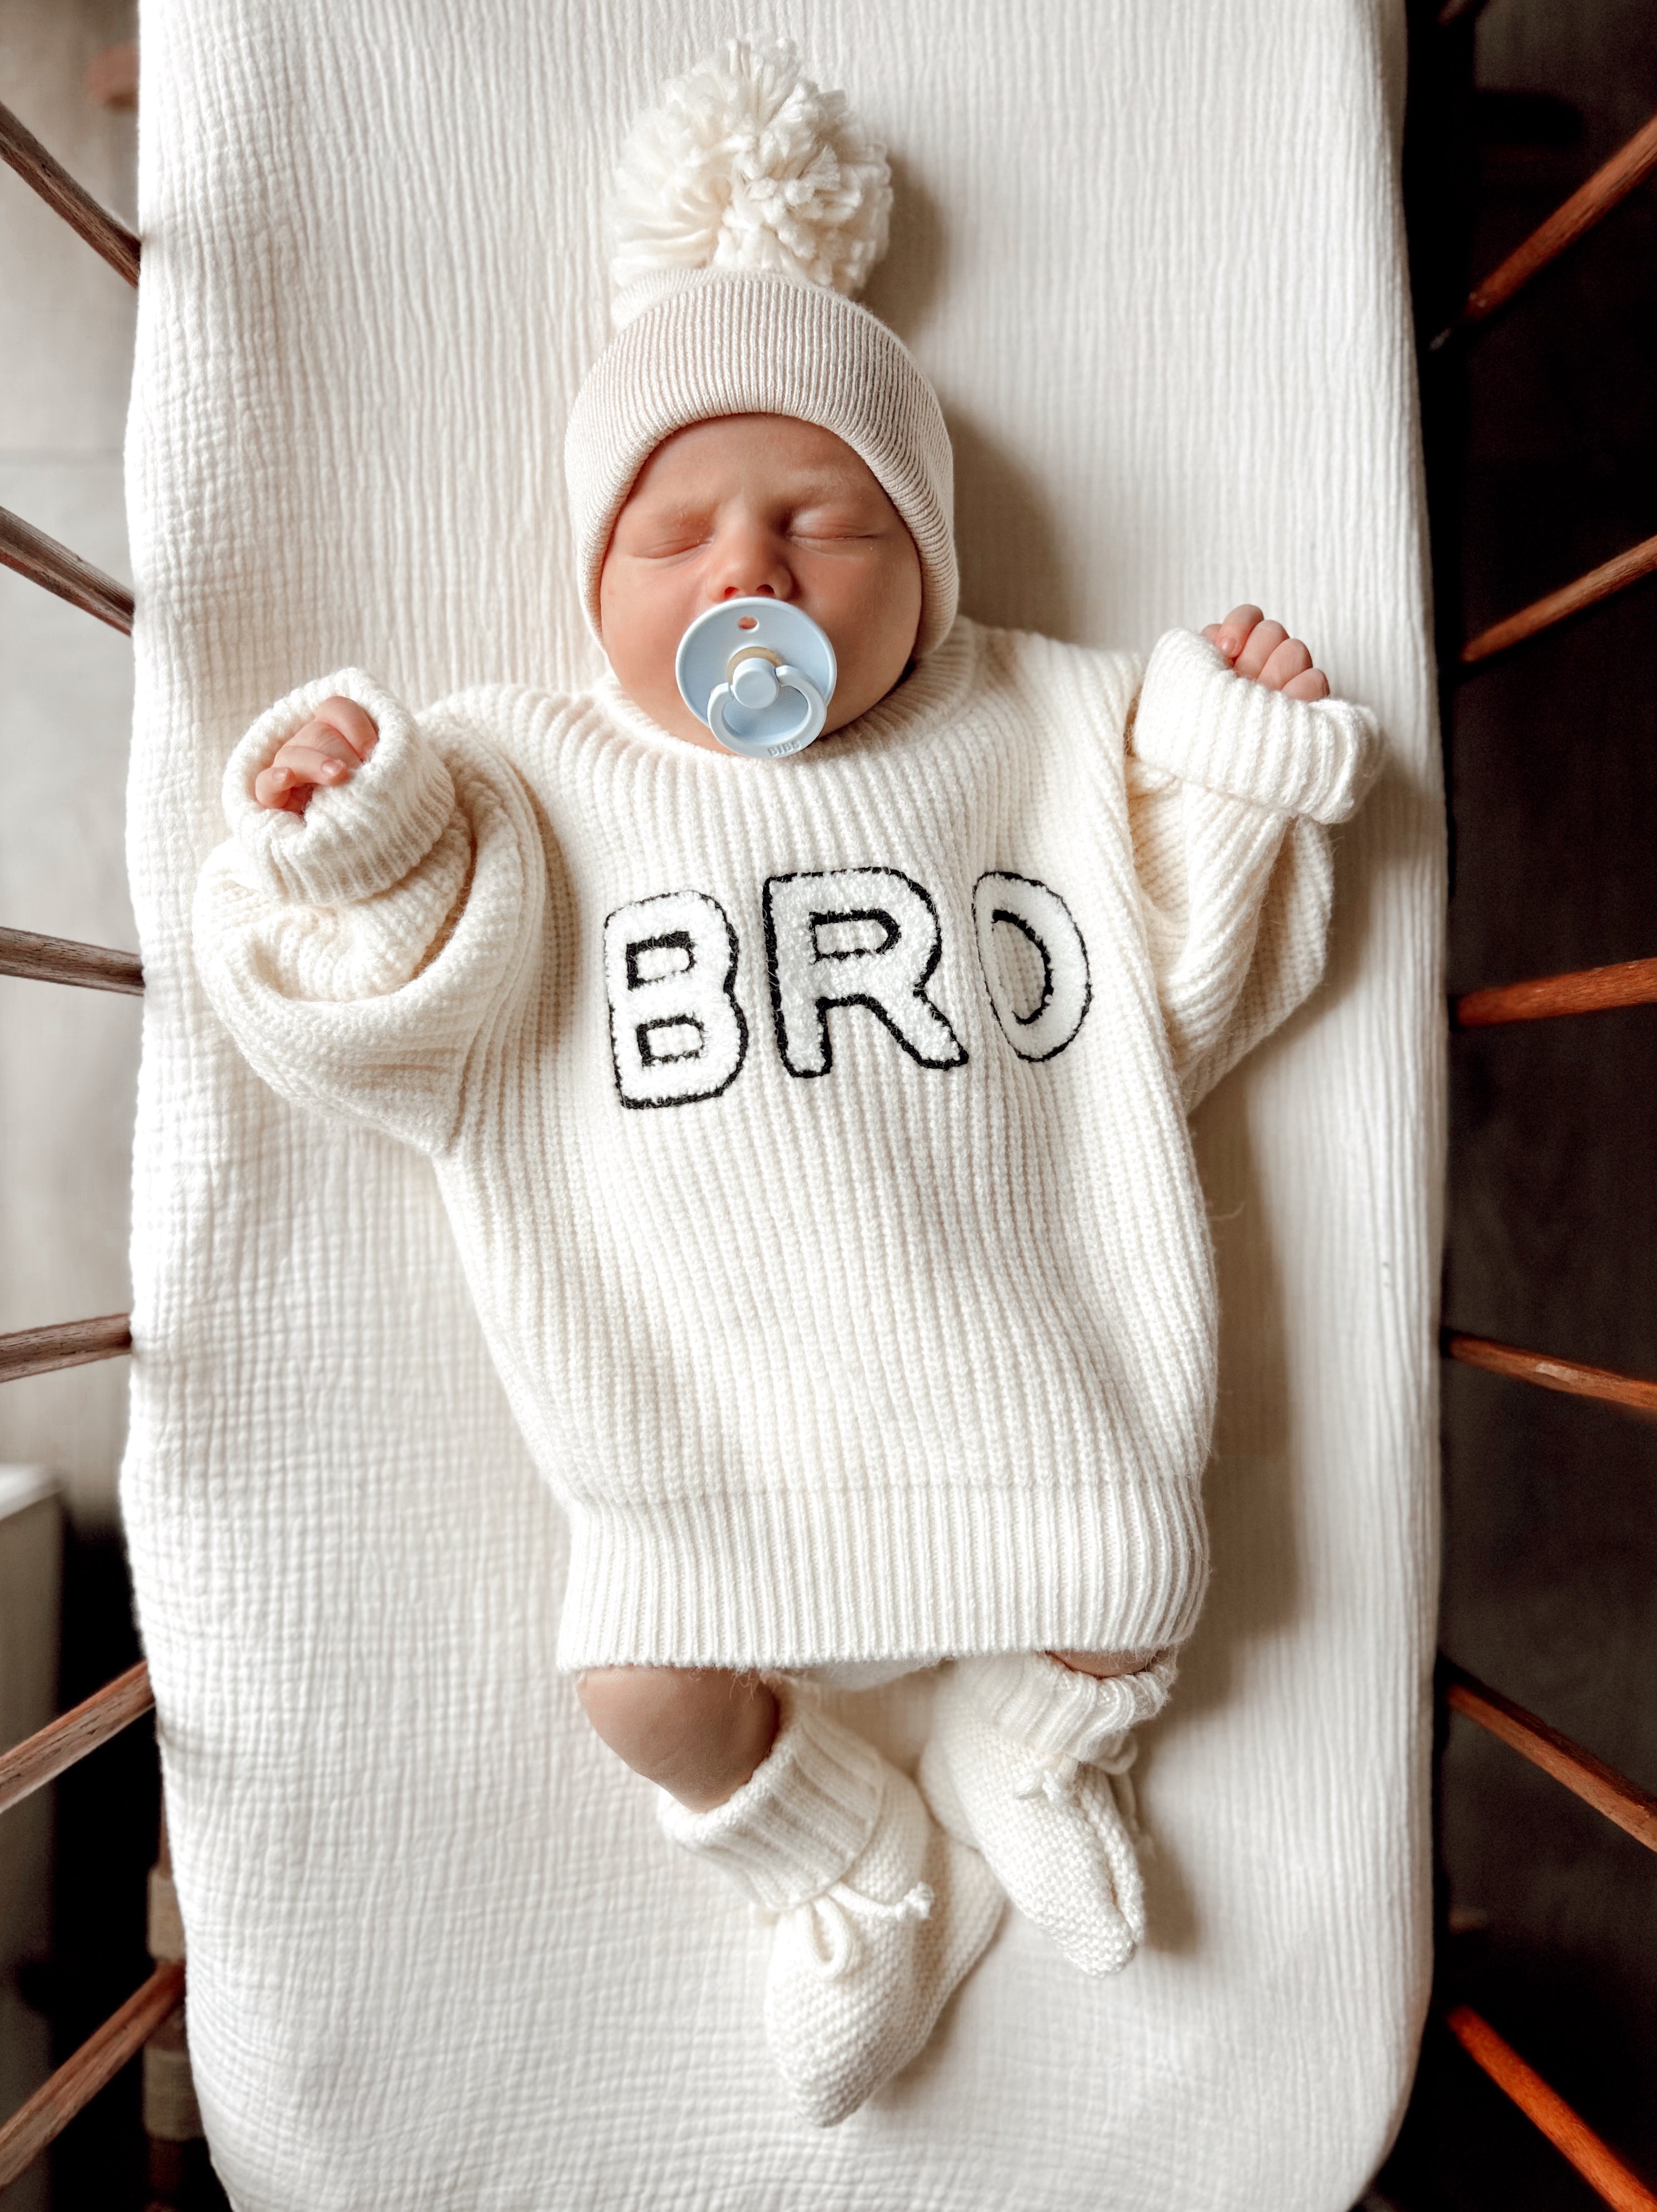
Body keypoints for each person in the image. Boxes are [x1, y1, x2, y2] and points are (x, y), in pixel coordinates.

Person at [195, 41, 1378, 2129]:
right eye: (677, 536)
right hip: (695, 1431)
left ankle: (1034, 1741)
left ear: (925, 568)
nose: (750, 572)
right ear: (595, 589)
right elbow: (381, 1027)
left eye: (821, 522)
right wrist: (353, 839)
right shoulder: (531, 780)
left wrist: (1227, 772)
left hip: (1036, 1384)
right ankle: (842, 1865)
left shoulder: (1028, 732)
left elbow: (1178, 1000)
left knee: (1122, 1594)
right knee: (643, 1683)